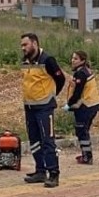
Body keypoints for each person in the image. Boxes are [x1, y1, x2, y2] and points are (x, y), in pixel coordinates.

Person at [19, 32, 65, 188]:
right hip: (30, 107)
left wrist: (51, 95)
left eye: (25, 45)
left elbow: (61, 79)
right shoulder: (25, 61)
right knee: (34, 141)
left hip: (44, 107)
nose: (23, 48)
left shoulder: (48, 60)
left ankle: (53, 173)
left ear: (34, 43)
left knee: (47, 141)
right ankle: (40, 171)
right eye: (22, 45)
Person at [63, 50, 99, 165]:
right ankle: (86, 154)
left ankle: (87, 157)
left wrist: (69, 104)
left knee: (81, 131)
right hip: (92, 105)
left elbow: (77, 93)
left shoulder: (81, 73)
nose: (72, 60)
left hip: (85, 107)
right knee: (84, 131)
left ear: (82, 61)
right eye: (72, 58)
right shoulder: (86, 71)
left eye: (76, 59)